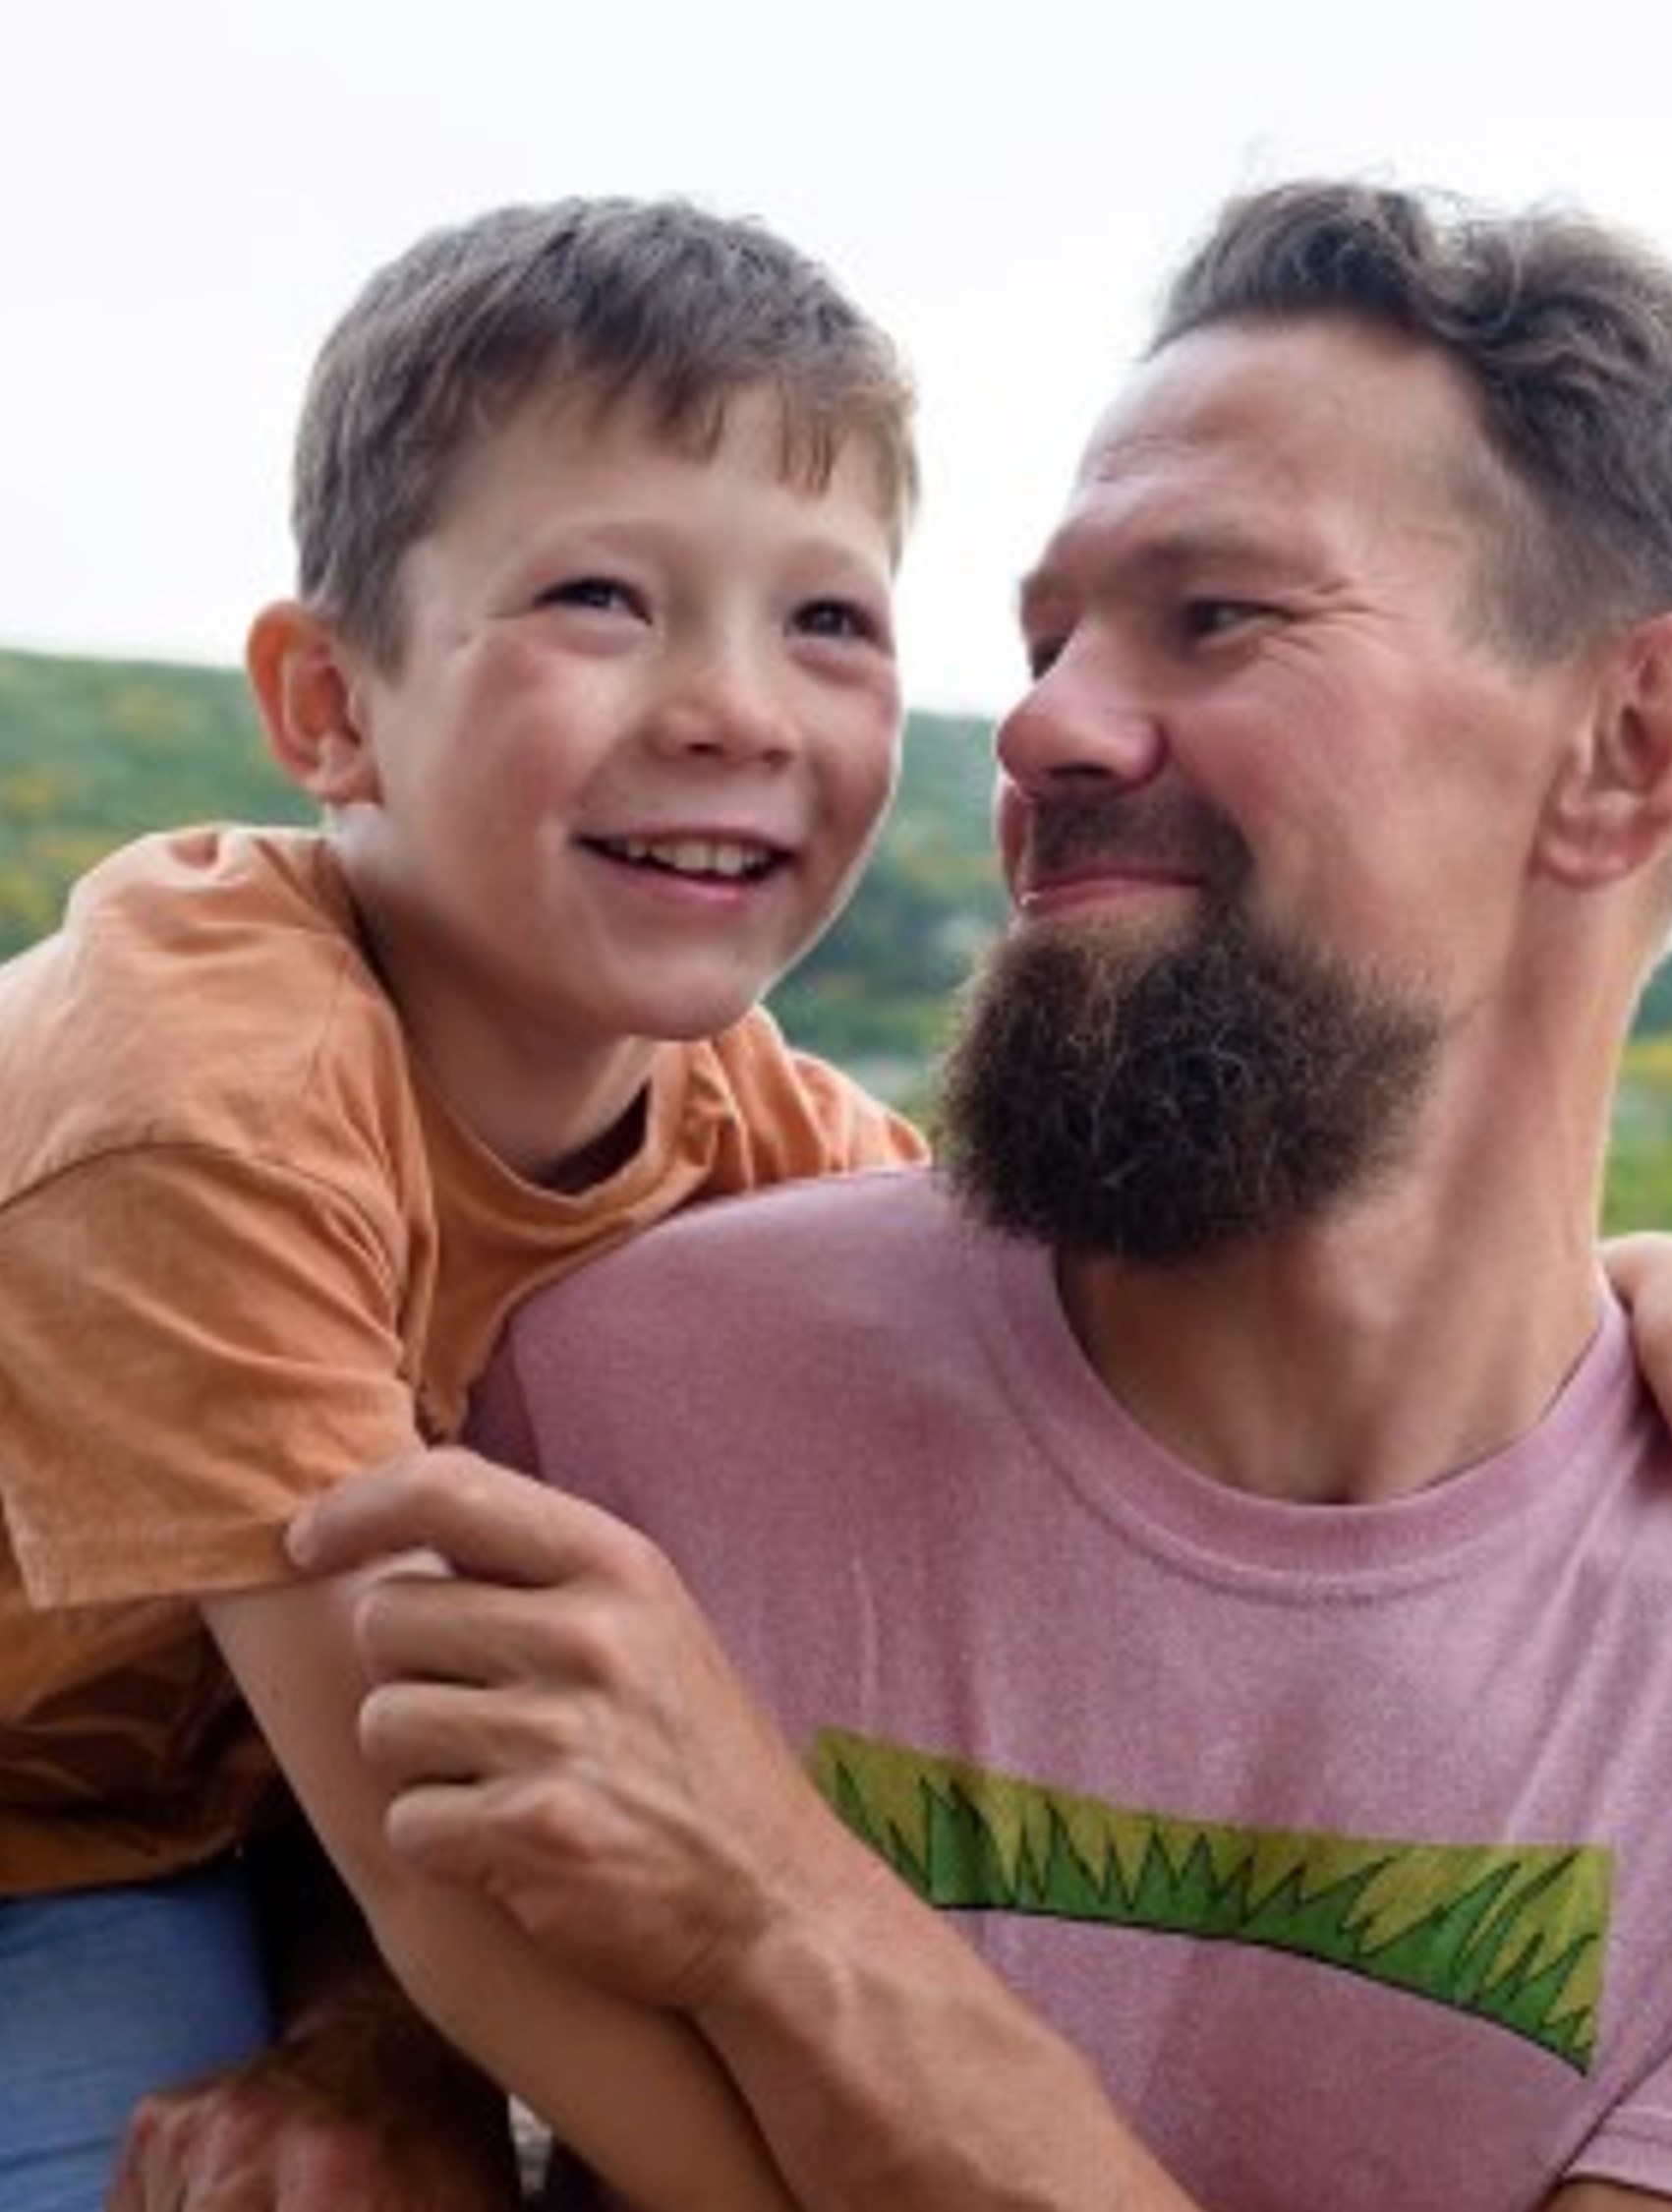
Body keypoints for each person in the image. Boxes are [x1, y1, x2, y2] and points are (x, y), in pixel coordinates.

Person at [281, 176, 1672, 2212]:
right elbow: (305, 1823)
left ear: (1630, 743)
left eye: (1218, 618)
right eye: (1046, 636)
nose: (1033, 723)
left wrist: (782, 1915)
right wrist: (364, 2039)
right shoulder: (614, 1389)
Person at [0, 194, 927, 2212]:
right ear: (330, 706)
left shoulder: (747, 1122)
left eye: (828, 619)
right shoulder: (202, 1090)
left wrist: (1623, 1298)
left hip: (176, 1818)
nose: (736, 708)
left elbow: (1105, 1315)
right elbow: (451, 1884)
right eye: (601, 595)